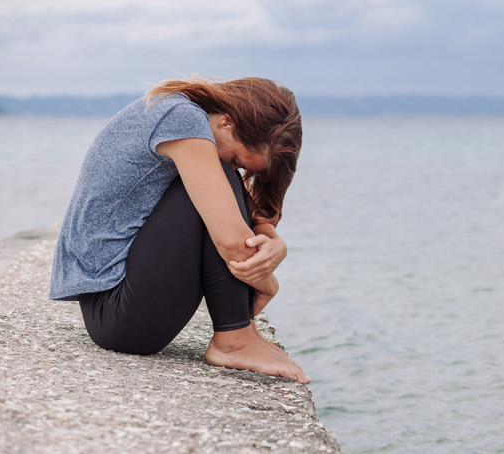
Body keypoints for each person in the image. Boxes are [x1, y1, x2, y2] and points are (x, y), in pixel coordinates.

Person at [49, 77, 309, 384]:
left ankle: (239, 335)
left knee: (220, 180)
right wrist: (268, 282)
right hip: (120, 315)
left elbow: (249, 209)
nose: (237, 170)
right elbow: (231, 242)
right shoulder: (181, 119)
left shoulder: (179, 111)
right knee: (219, 179)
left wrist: (274, 240)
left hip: (118, 310)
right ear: (227, 122)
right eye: (239, 159)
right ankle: (235, 339)